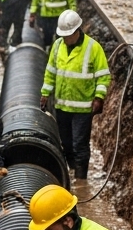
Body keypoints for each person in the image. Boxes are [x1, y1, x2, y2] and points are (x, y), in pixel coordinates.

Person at [40, 10, 107, 181]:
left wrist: (99, 97)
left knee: (80, 144)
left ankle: (81, 179)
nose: (66, 38)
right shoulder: (57, 45)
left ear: (78, 30)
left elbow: (103, 76)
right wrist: (45, 93)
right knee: (67, 144)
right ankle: (72, 170)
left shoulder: (93, 48)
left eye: (68, 35)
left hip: (83, 108)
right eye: (63, 35)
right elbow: (50, 71)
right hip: (62, 105)